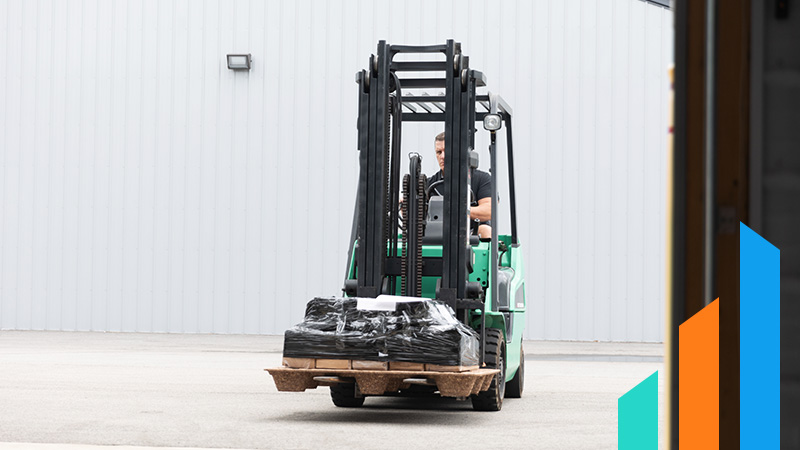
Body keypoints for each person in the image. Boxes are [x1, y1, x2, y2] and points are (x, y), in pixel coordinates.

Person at [427, 132, 492, 239]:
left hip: (472, 234)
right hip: (438, 233)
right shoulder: (430, 184)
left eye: (447, 151)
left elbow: (488, 211)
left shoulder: (482, 179)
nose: (442, 156)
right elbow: (419, 215)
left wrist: (458, 210)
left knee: (485, 230)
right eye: (439, 152)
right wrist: (407, 208)